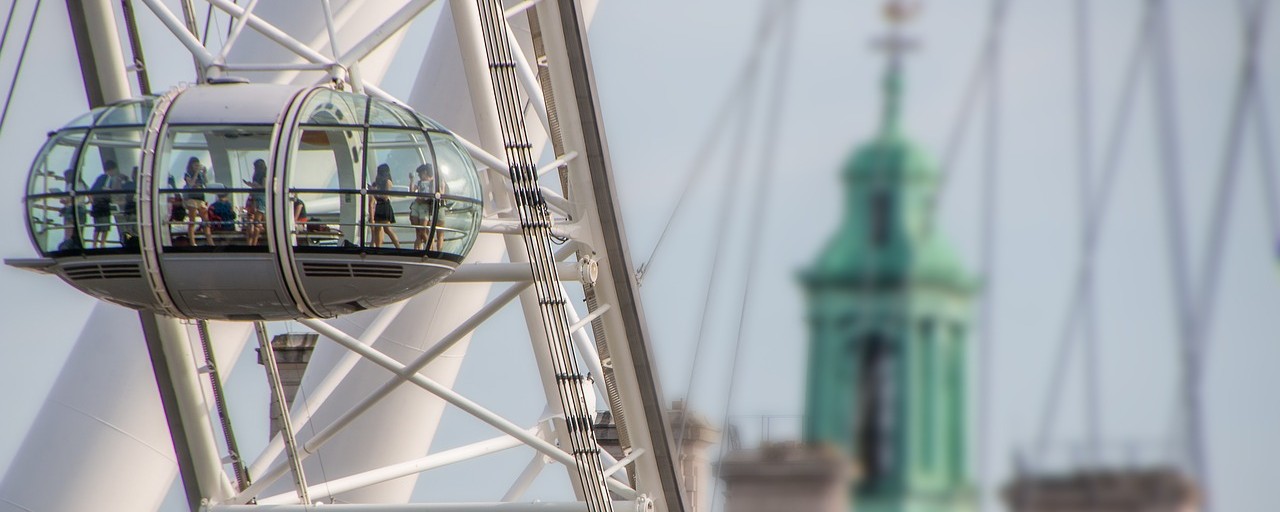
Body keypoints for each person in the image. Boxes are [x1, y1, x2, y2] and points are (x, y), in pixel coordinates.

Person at [408, 163, 443, 251]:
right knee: (418, 231)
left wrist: (423, 200)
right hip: (417, 206)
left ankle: (430, 249)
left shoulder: (432, 183)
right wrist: (412, 180)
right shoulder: (419, 182)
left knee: (423, 230)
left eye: (420, 173)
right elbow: (412, 191)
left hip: (425, 207)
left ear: (425, 172)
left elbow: (435, 195)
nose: (419, 176)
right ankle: (418, 249)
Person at [88, 161, 119, 248]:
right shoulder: (104, 178)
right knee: (101, 226)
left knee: (103, 226)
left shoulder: (108, 179)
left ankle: (99, 244)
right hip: (101, 204)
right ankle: (98, 244)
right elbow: (94, 190)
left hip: (102, 204)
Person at [182, 157, 213, 245]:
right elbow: (190, 184)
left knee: (206, 221)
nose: (197, 167)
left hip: (200, 198)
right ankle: (192, 242)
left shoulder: (201, 175)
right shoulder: (187, 174)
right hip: (191, 198)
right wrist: (196, 173)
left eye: (198, 165)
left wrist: (204, 174)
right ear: (191, 166)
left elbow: (206, 184)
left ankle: (210, 242)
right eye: (195, 165)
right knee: (192, 220)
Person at [369, 163, 400, 249]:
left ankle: (398, 247)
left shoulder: (387, 182)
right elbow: (376, 198)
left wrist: (376, 192)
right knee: (377, 228)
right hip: (379, 205)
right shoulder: (377, 183)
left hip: (385, 206)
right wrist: (373, 192)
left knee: (387, 228)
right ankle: (378, 247)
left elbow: (386, 196)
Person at [243, 159, 268, 246]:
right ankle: (252, 243)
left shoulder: (264, 174)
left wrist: (254, 185)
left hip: (260, 198)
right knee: (257, 221)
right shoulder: (257, 174)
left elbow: (264, 187)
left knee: (258, 221)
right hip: (256, 197)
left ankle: (253, 244)